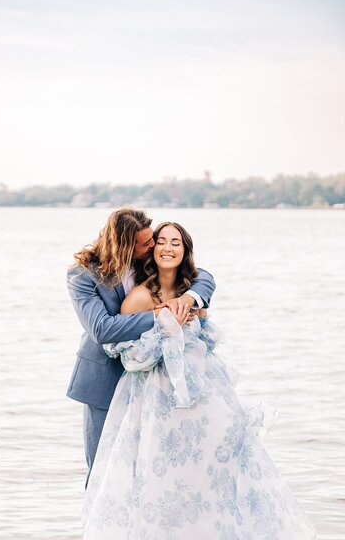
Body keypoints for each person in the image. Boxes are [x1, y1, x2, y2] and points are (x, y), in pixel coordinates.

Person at [82, 222, 317, 539]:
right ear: (152, 251)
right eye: (161, 241)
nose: (168, 247)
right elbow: (130, 358)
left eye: (175, 242)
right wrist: (166, 327)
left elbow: (206, 343)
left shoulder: (193, 296)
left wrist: (191, 312)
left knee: (212, 466)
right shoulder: (138, 298)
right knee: (160, 473)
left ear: (184, 251)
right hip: (156, 400)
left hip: (202, 397)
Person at [66, 208, 216, 483]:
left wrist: (189, 299)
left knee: (146, 467)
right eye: (146, 244)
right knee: (103, 468)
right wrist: (159, 315)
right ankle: (92, 527)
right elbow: (102, 328)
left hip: (150, 383)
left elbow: (202, 275)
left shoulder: (143, 262)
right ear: (125, 247)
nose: (152, 247)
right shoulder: (82, 276)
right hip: (104, 380)